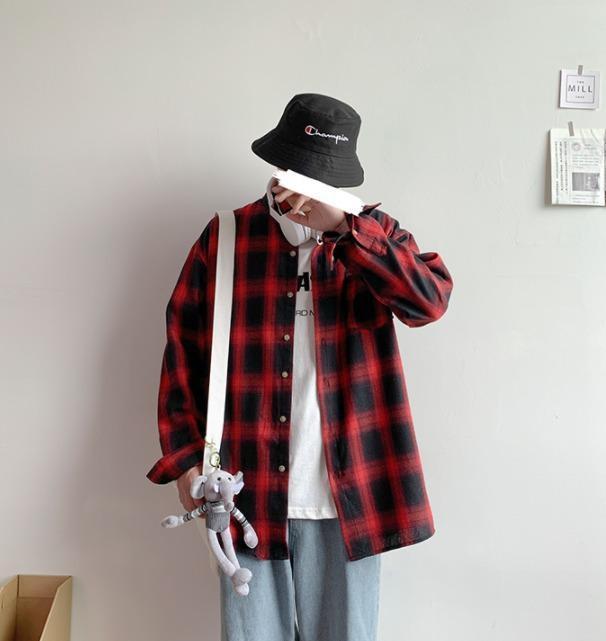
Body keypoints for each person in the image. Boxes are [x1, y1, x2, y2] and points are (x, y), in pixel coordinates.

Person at [146, 93, 454, 641]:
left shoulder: (372, 235)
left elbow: (428, 302)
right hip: (244, 495)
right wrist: (186, 461)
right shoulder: (227, 237)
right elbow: (182, 359)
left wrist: (347, 229)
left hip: (349, 499)